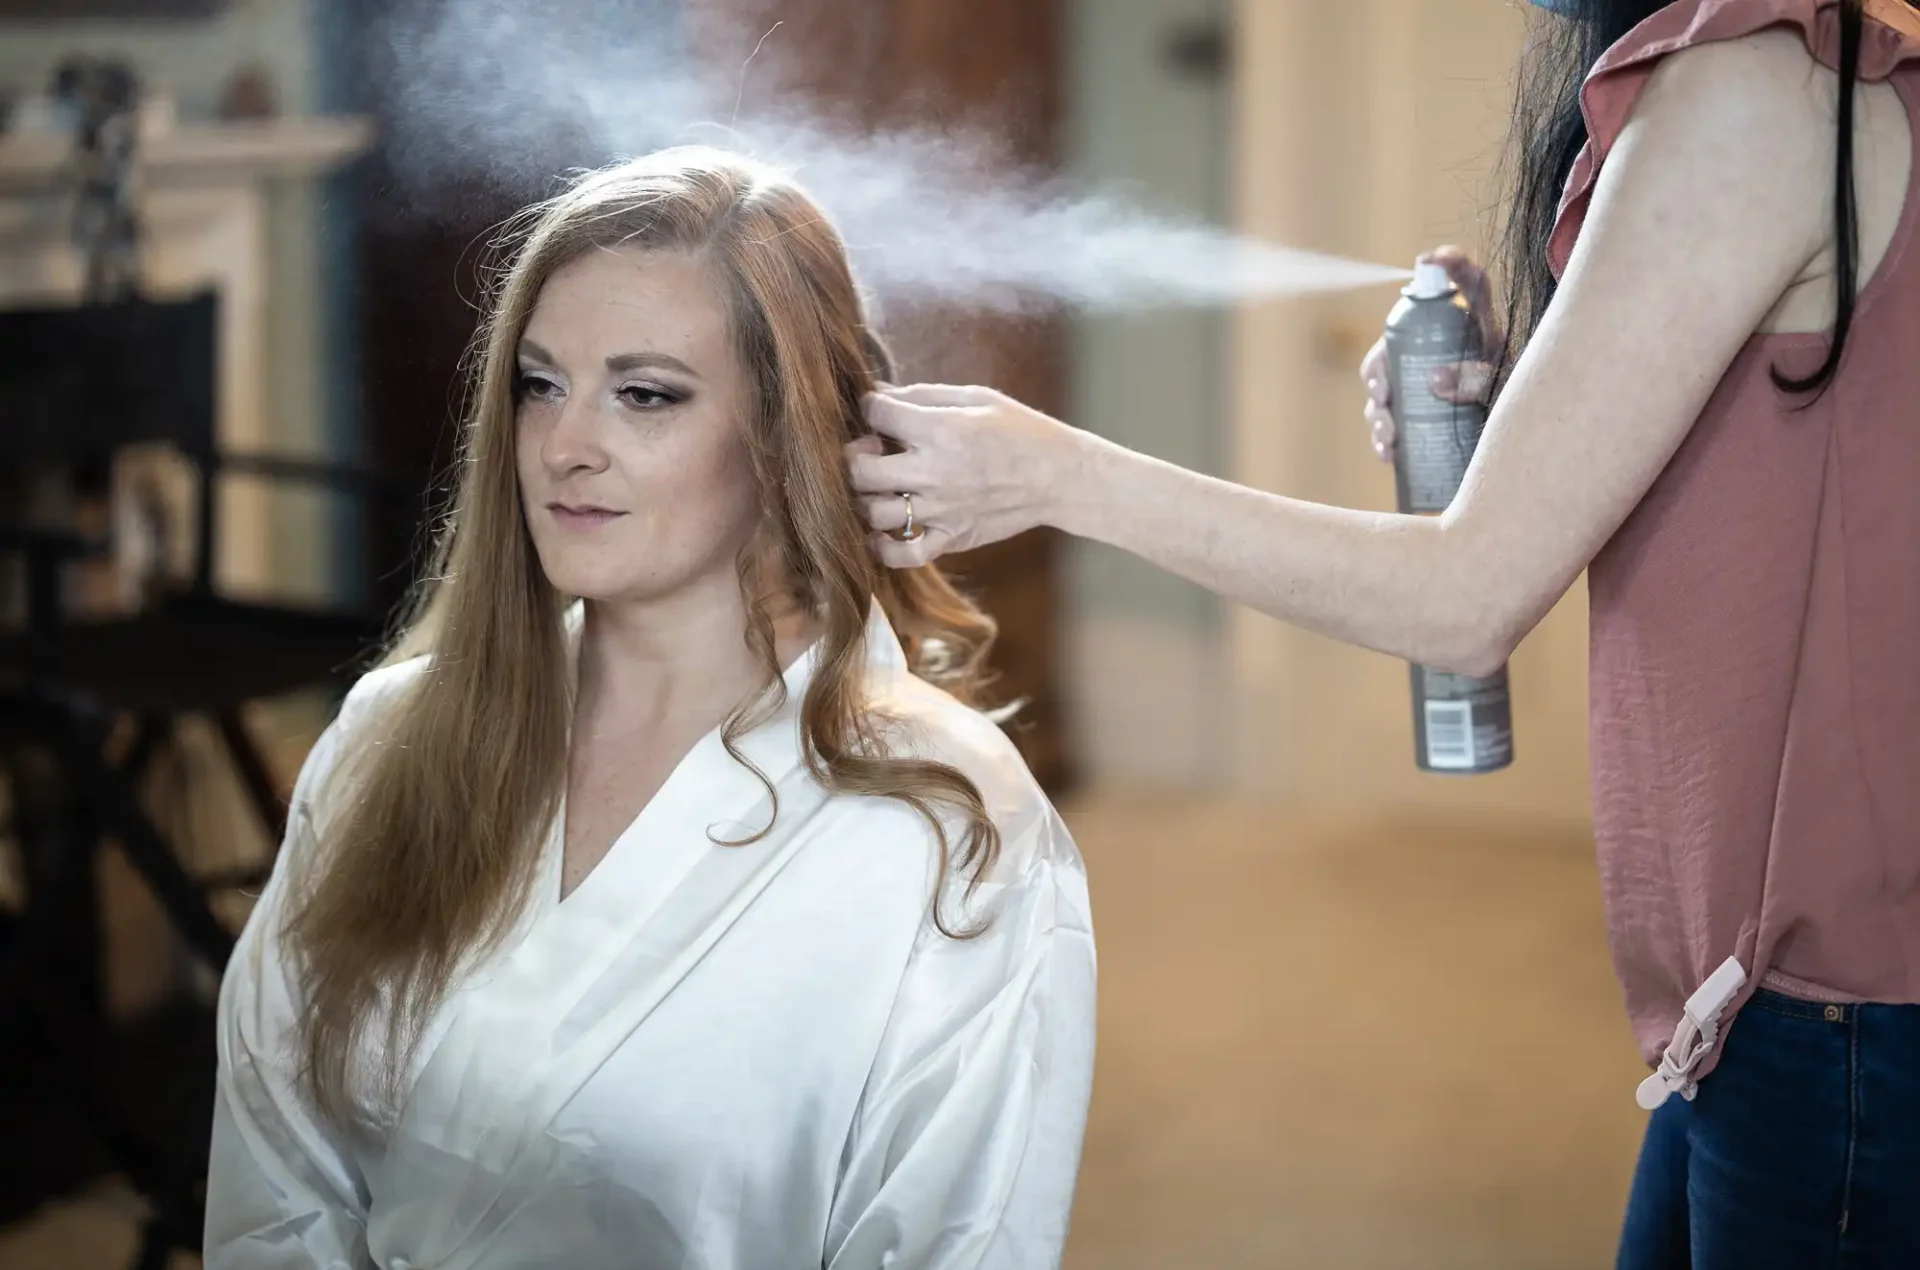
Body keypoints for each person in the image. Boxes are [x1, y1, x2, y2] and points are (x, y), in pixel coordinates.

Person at [845, 1, 1919, 1265]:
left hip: (1837, 1018)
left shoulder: (1749, 86)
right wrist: (1538, 398)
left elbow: (1465, 600)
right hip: (1756, 1002)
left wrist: (1051, 477)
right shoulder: (1800, 69)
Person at [204, 147, 1096, 1270]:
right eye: (540, 384)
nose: (566, 446)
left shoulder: (950, 833)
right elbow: (272, 1174)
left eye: (645, 395)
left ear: (787, 432)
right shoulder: (389, 737)